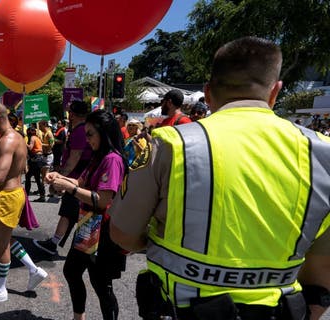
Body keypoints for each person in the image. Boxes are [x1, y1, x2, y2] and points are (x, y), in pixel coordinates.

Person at [109, 36, 330, 319]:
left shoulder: (171, 144)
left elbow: (122, 234)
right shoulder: (322, 154)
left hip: (182, 310)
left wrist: (152, 242)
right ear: (275, 91)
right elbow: (322, 271)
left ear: (207, 93)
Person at [46, 109, 128, 320]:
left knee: (101, 285)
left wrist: (69, 187)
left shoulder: (112, 159)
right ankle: (78, 317)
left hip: (104, 232)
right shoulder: (98, 157)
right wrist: (62, 178)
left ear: (104, 132)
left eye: (90, 134)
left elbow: (103, 200)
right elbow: (80, 183)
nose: (87, 139)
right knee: (72, 271)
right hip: (88, 226)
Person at [0, 102, 48, 305]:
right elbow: (15, 167)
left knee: (0, 244)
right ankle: (34, 270)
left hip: (7, 195)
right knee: (5, 239)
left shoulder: (7, 141)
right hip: (13, 192)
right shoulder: (17, 137)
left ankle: (0, 288)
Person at [34, 100, 93, 255]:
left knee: (68, 213)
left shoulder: (80, 130)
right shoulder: (82, 129)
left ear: (72, 114)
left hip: (75, 178)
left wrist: (60, 178)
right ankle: (60, 243)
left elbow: (75, 156)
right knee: (71, 214)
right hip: (79, 177)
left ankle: (56, 244)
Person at [25, 126, 46, 202]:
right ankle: (42, 196)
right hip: (40, 158)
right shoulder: (37, 138)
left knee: (28, 176)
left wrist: (23, 143)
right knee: (37, 178)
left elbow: (30, 148)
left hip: (36, 159)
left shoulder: (32, 138)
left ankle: (26, 195)